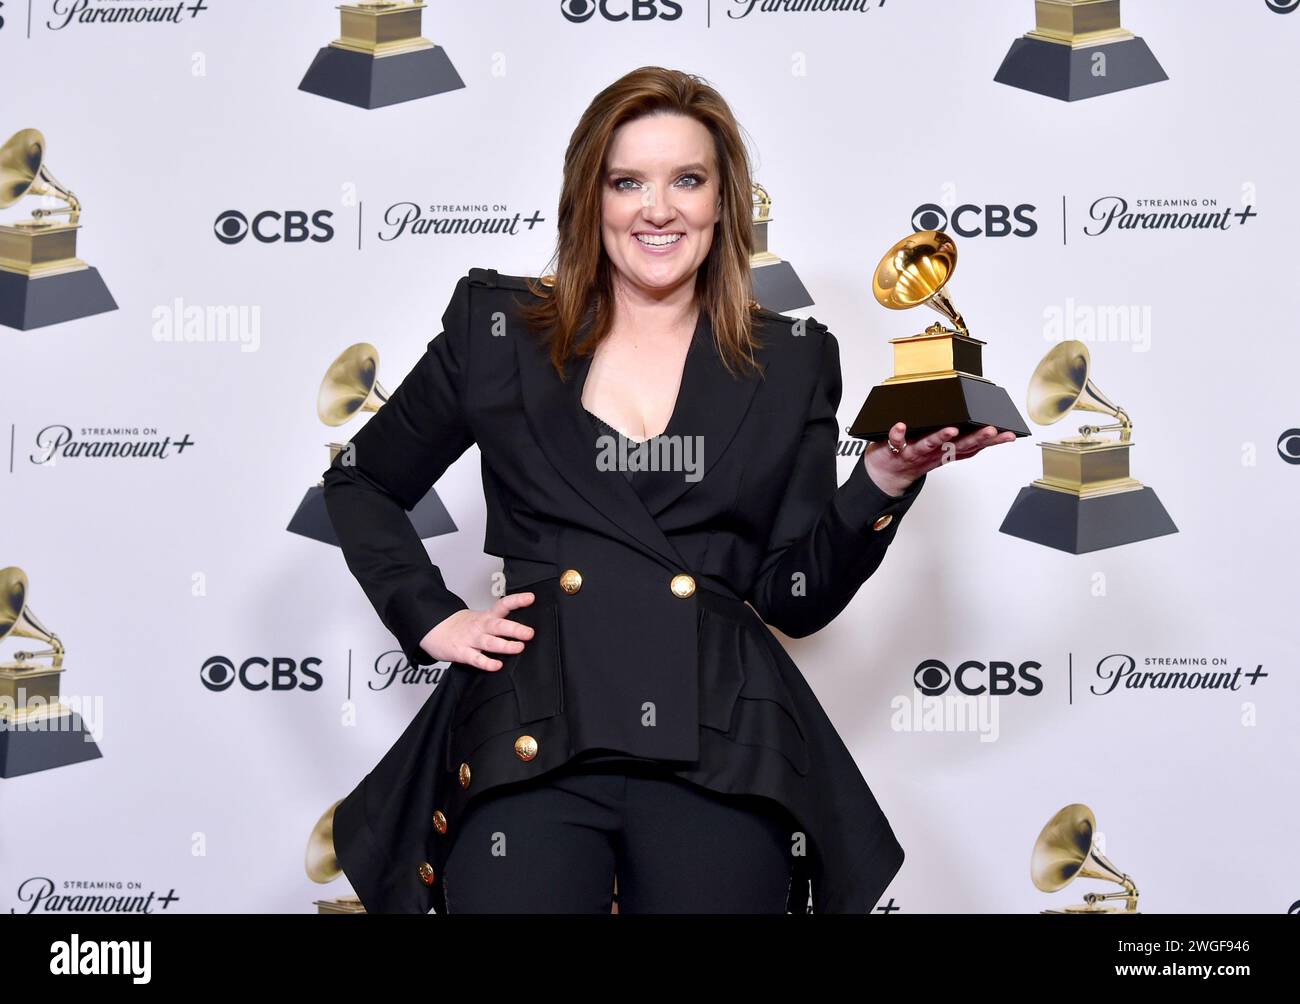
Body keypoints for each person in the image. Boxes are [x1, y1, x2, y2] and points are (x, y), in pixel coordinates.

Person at [321, 66, 1015, 914]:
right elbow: (361, 484)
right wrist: (432, 616)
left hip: (719, 740)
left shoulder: (791, 357)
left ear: (724, 203)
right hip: (533, 729)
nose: (658, 208)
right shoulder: (498, 329)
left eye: (687, 179)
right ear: (591, 198)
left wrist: (884, 479)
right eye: (628, 182)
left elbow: (790, 599)